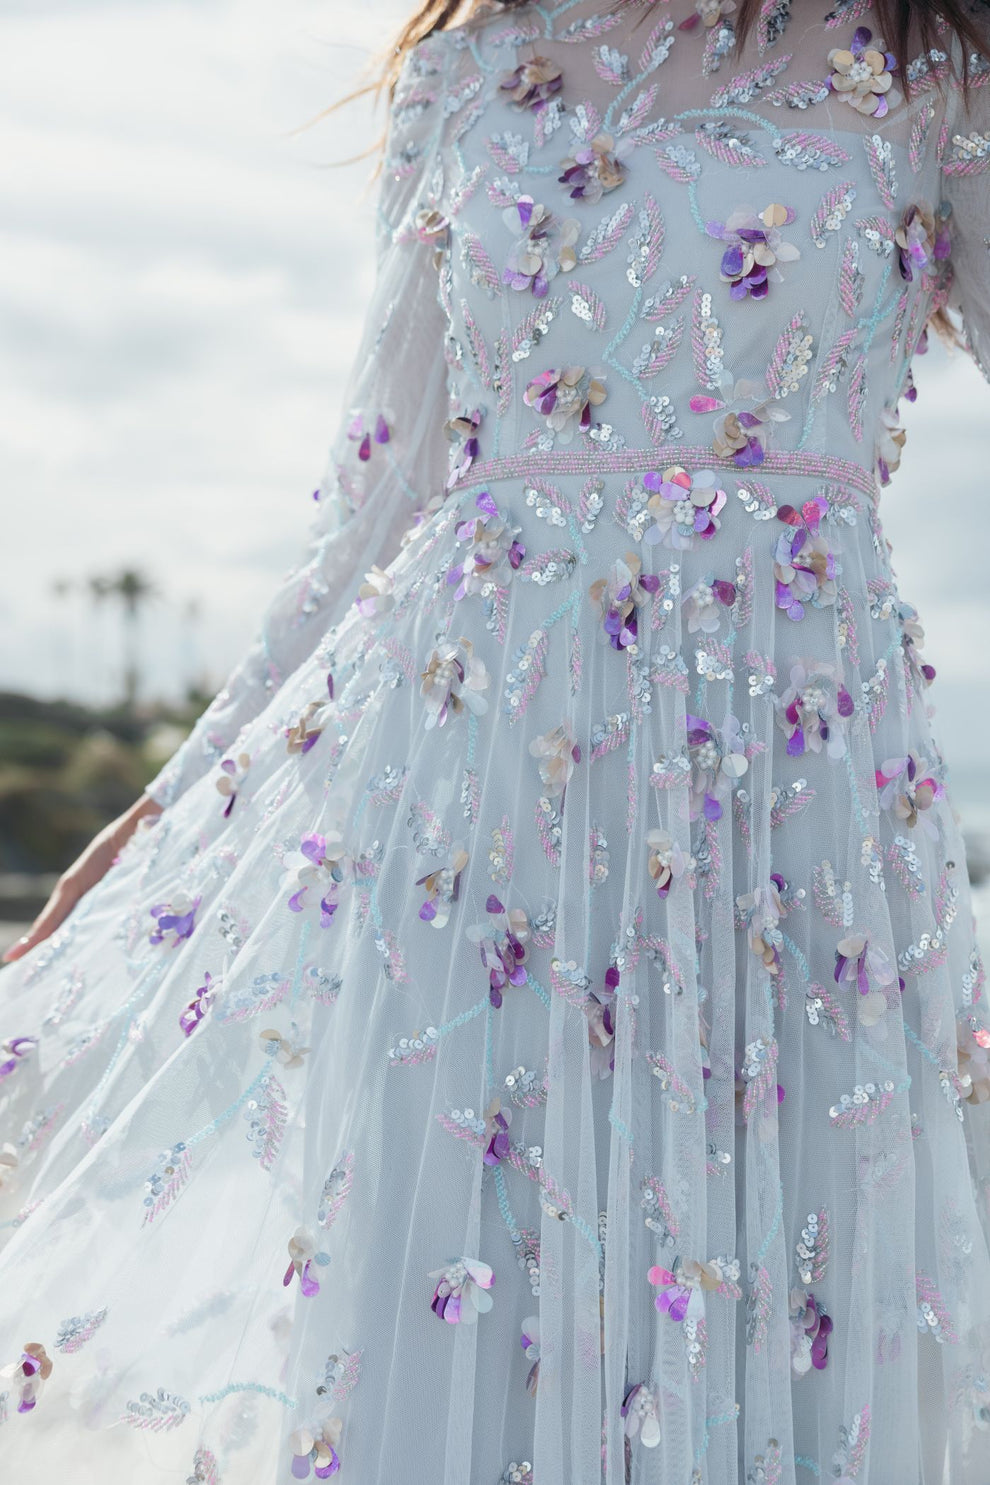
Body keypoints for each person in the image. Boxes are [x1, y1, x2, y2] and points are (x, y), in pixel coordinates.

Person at [2, 0, 990, 1479]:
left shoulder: (933, 67)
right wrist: (174, 805)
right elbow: (374, 502)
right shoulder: (468, 66)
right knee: (454, 1296)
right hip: (467, 827)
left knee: (792, 1311)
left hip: (795, 829)